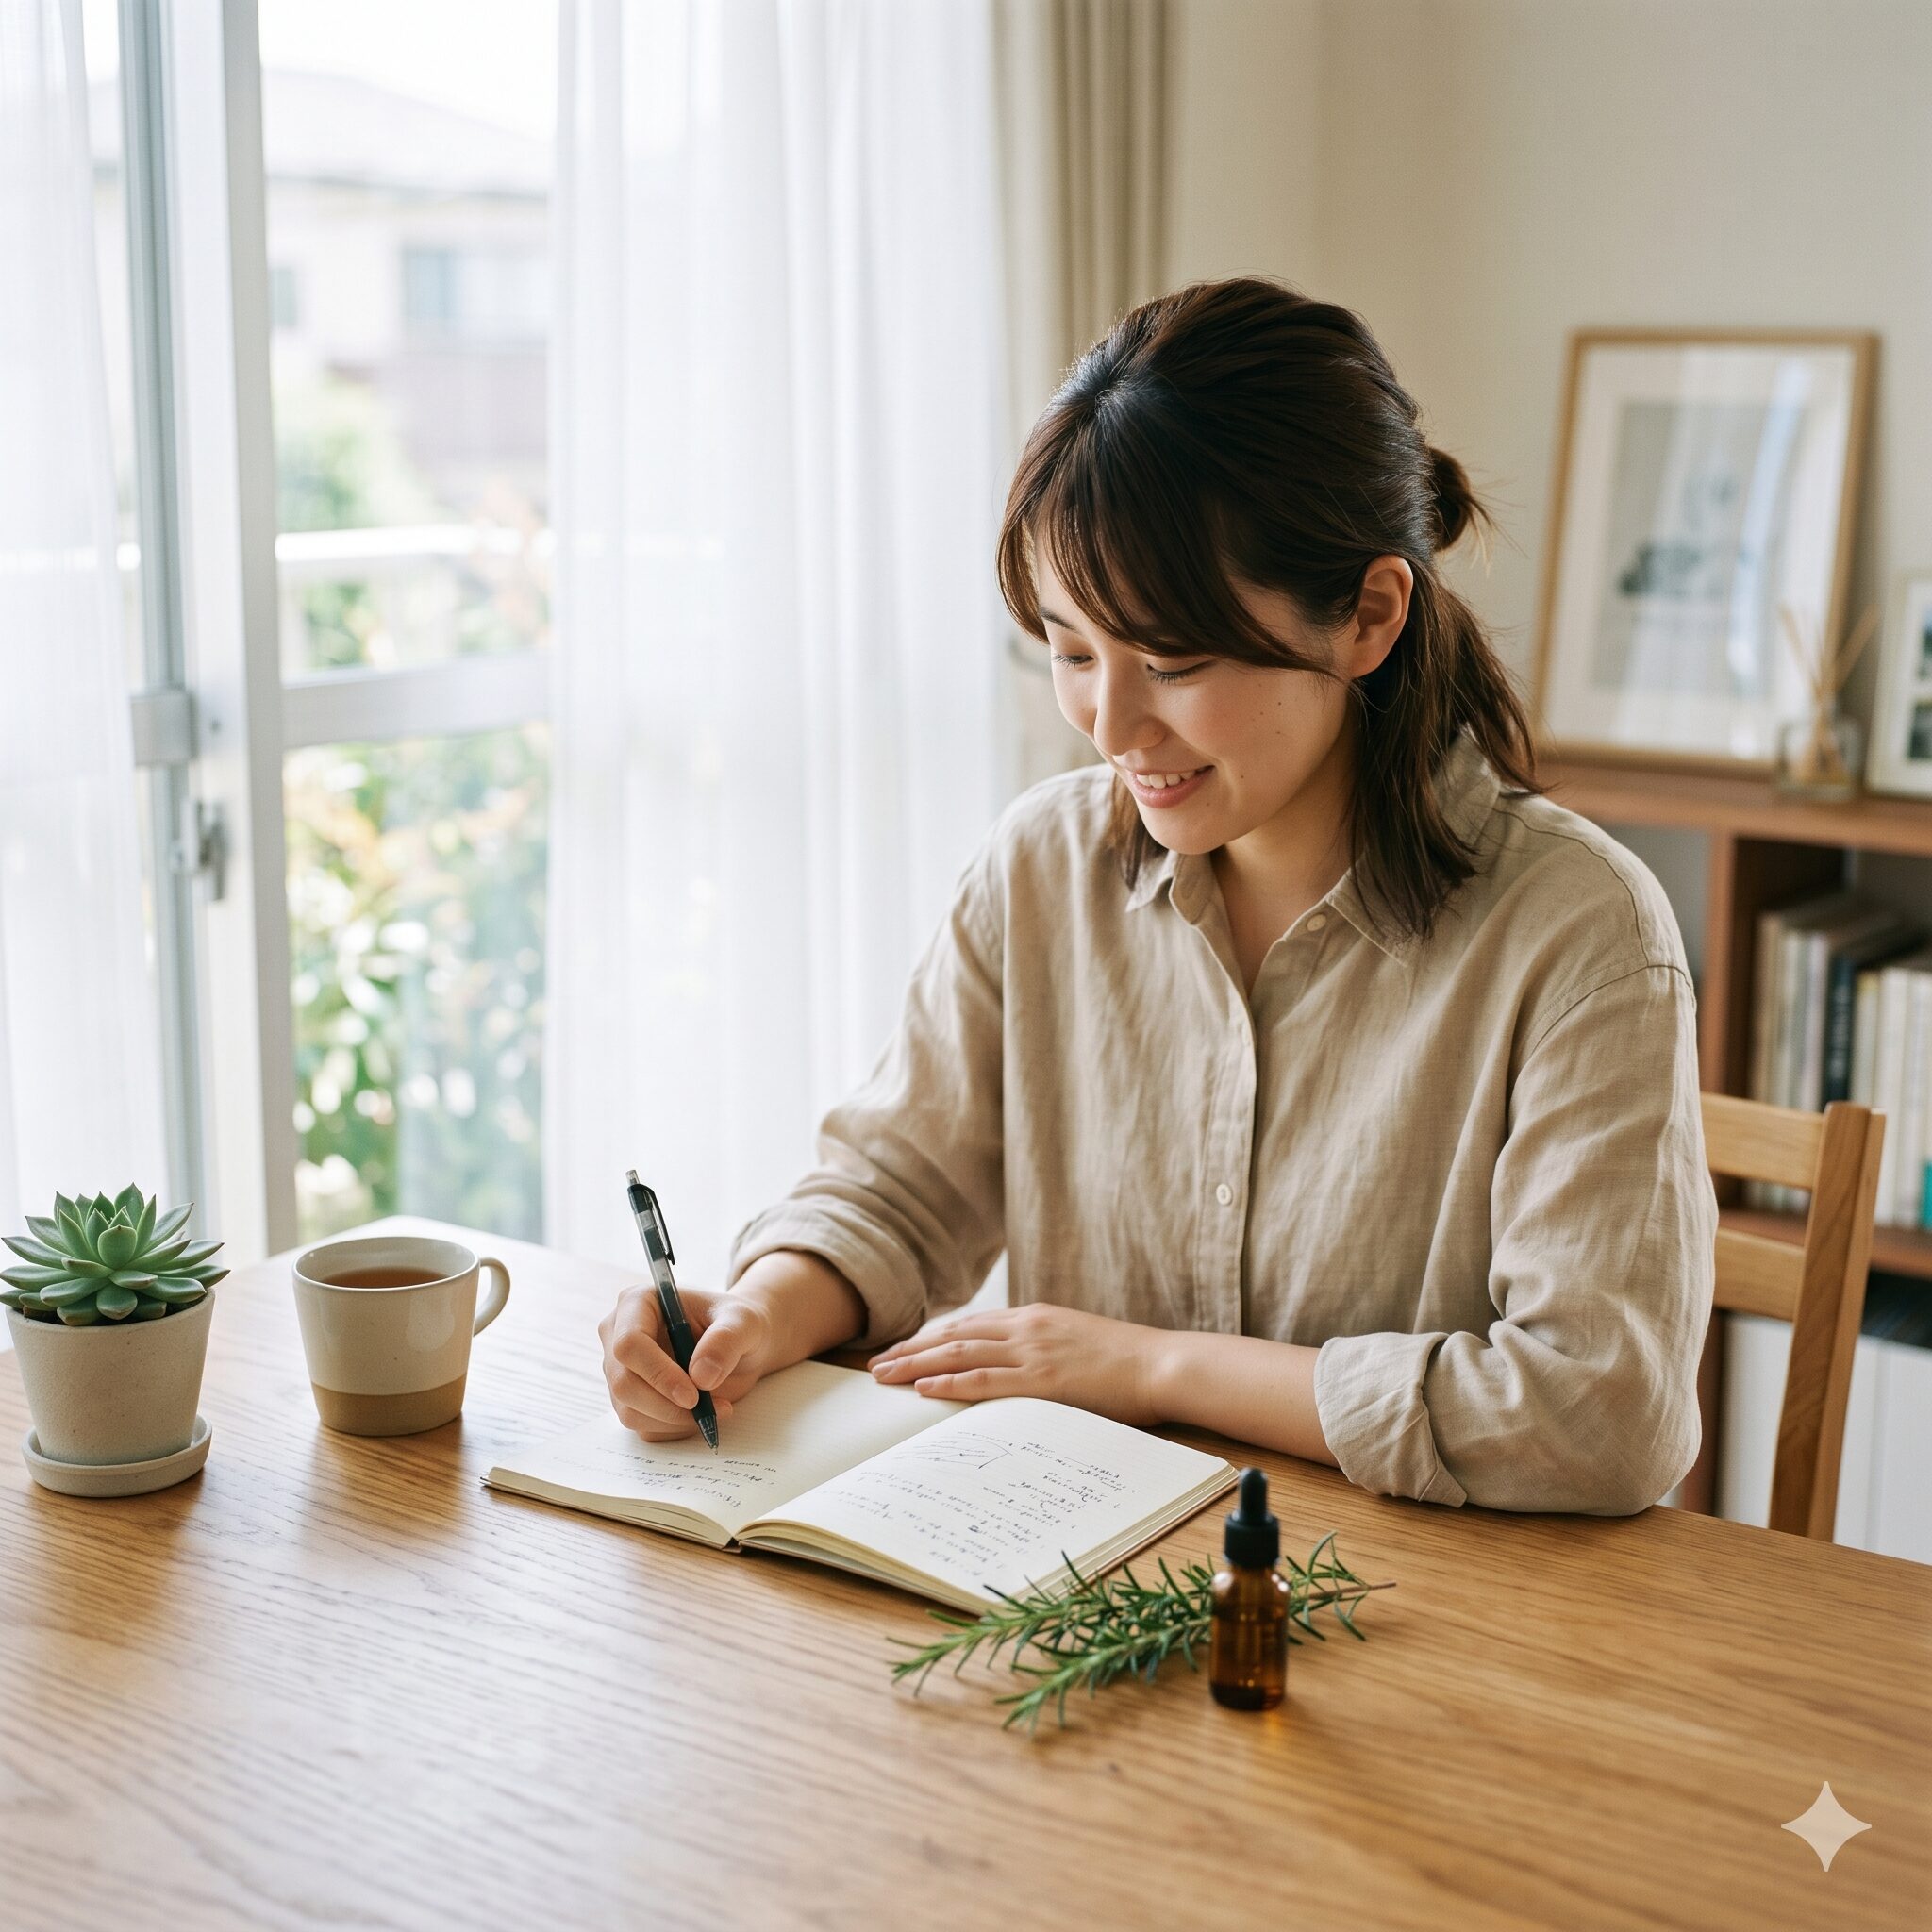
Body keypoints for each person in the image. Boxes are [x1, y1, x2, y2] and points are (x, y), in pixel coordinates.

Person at [598, 277, 1716, 1515]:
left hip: (1424, 1628)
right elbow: (900, 1192)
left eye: (1174, 662)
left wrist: (1154, 1369)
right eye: (1074, 652)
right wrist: (760, 1310)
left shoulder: (1580, 933)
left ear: (1369, 615)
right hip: (1069, 1576)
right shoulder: (1043, 868)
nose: (1113, 727)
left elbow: (1600, 1413)